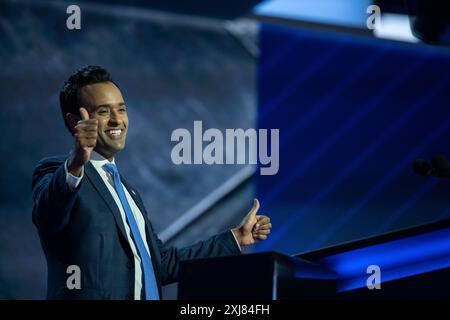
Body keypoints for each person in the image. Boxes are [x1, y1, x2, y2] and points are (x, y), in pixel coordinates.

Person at [31, 65, 272, 300]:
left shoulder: (128, 192)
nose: (117, 120)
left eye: (121, 109)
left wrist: (236, 237)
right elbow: (49, 213)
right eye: (103, 112)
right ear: (76, 123)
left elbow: (161, 264)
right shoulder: (57, 172)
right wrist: (76, 161)